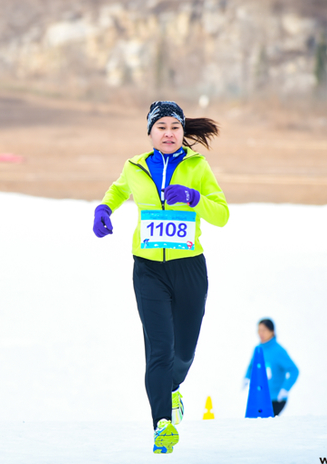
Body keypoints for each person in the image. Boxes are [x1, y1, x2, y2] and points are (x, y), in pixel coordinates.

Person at [92, 101, 229, 454]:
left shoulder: (198, 166)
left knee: (182, 353)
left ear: (183, 133)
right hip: (148, 268)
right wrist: (104, 208)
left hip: (189, 268)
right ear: (150, 133)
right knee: (159, 351)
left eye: (175, 127)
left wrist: (195, 198)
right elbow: (120, 188)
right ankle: (162, 426)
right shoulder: (135, 166)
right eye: (161, 127)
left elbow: (222, 214)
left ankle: (173, 390)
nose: (168, 133)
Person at [244, 318, 299, 416]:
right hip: (259, 398)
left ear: (272, 331)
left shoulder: (278, 351)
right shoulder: (258, 349)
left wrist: (285, 389)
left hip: (275, 399)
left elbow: (294, 370)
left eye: (264, 330)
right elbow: (251, 366)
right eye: (259, 330)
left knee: (267, 426)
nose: (261, 333)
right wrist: (247, 377)